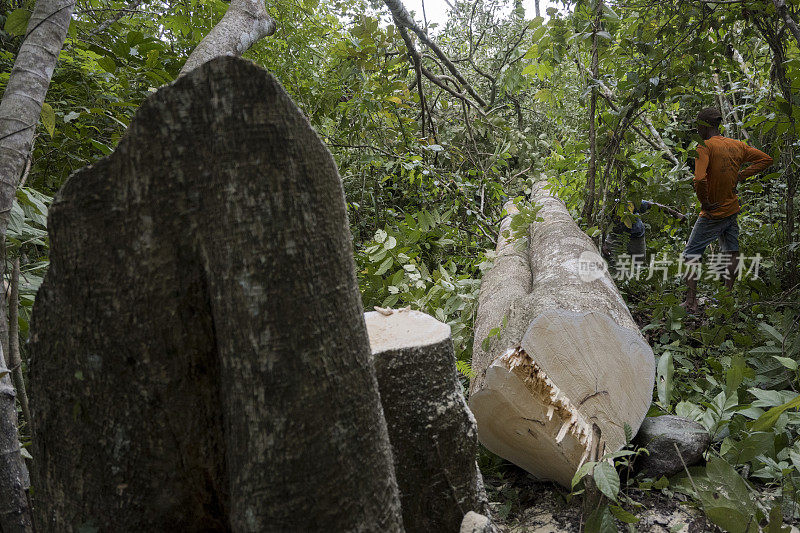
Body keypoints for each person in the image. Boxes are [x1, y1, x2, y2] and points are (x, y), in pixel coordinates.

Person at [681, 107, 773, 313]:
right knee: (731, 251)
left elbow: (698, 178)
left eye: (698, 125)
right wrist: (741, 175)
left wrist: (704, 202)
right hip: (732, 209)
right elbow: (766, 159)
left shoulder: (704, 146)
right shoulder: (737, 145)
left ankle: (690, 301)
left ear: (704, 126)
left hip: (713, 213)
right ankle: (728, 296)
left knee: (691, 254)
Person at [602, 199, 686, 269]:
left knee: (638, 265)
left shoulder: (630, 204)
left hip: (636, 236)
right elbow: (601, 225)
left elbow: (654, 206)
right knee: (609, 260)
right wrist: (603, 243)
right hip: (615, 235)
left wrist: (675, 214)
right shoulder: (609, 208)